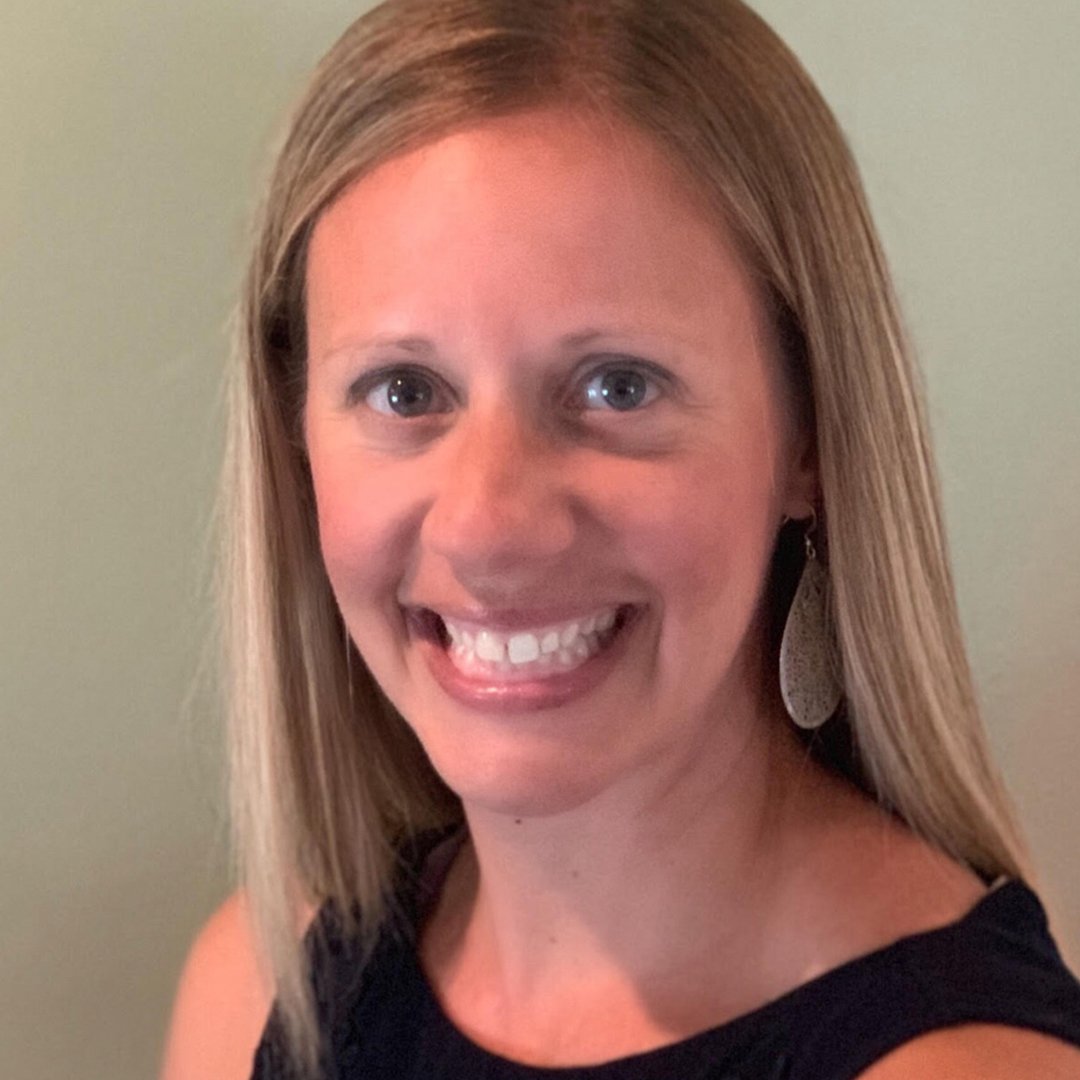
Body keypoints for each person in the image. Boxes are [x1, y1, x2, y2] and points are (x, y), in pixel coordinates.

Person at [161, 1, 1080, 1077]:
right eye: (405, 390)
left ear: (811, 435)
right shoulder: (253, 992)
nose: (489, 527)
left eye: (618, 387)